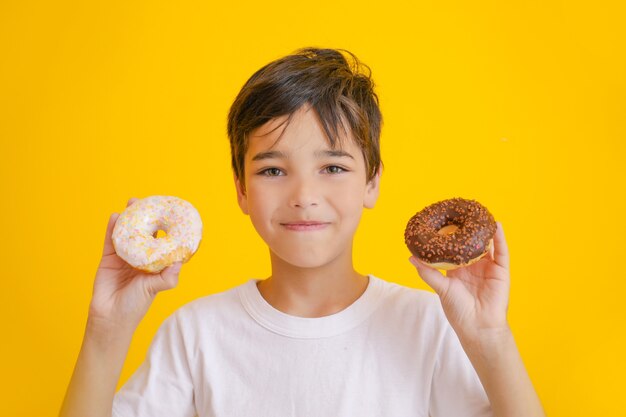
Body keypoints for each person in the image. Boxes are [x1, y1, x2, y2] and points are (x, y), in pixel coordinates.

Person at [59, 47, 545, 417]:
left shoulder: (430, 324)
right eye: (273, 171)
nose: (303, 194)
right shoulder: (196, 333)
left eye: (333, 167)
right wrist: (107, 330)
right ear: (241, 190)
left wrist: (488, 337)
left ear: (371, 183)